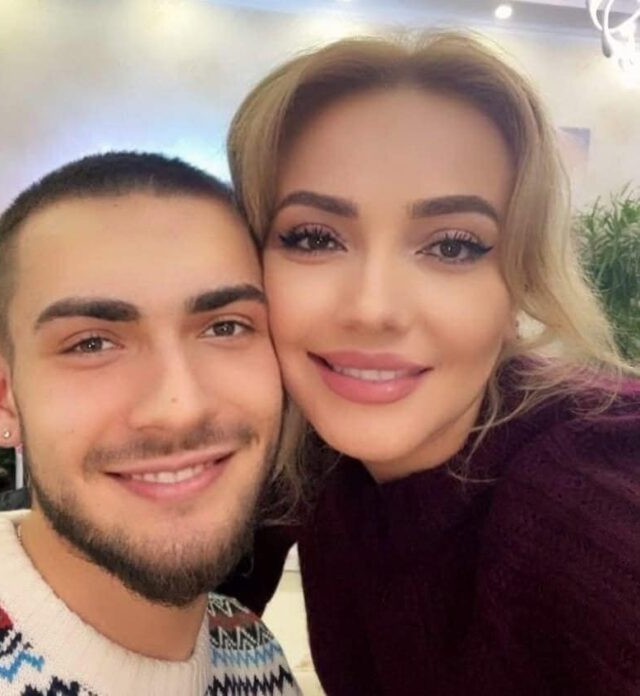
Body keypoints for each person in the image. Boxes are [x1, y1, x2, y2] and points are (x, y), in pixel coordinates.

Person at [224, 32, 640, 695]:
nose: (373, 309)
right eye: (314, 238)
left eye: (452, 246)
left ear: (519, 285)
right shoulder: (314, 447)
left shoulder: (584, 491)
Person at [0, 152, 299, 695]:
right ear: (0, 398)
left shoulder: (256, 653)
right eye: (91, 343)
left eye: (225, 327)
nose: (179, 408)